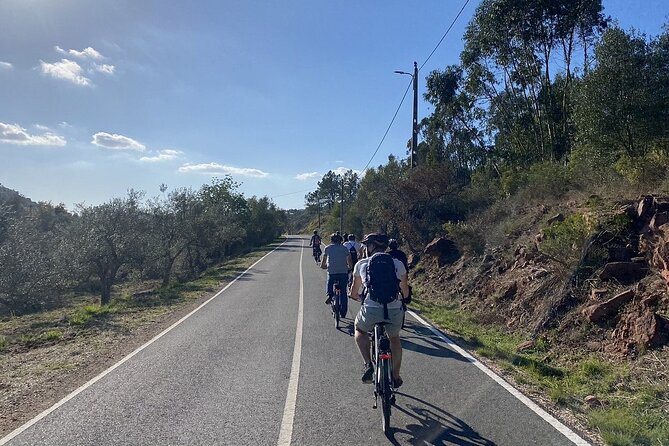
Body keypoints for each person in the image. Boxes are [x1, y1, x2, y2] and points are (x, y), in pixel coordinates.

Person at [349, 233, 410, 388]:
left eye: (366, 246)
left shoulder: (361, 264)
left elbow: (354, 292)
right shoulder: (397, 263)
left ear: (371, 246)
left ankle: (368, 364)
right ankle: (395, 376)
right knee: (394, 339)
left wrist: (355, 297)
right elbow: (405, 290)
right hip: (394, 308)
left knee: (360, 330)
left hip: (371, 308)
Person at [320, 233, 352, 309]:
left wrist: (323, 266)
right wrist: (350, 267)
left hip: (332, 271)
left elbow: (323, 261)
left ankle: (329, 295)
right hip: (343, 272)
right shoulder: (345, 248)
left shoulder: (327, 248)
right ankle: (343, 311)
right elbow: (349, 260)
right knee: (343, 292)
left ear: (331, 240)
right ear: (340, 241)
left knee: (329, 281)